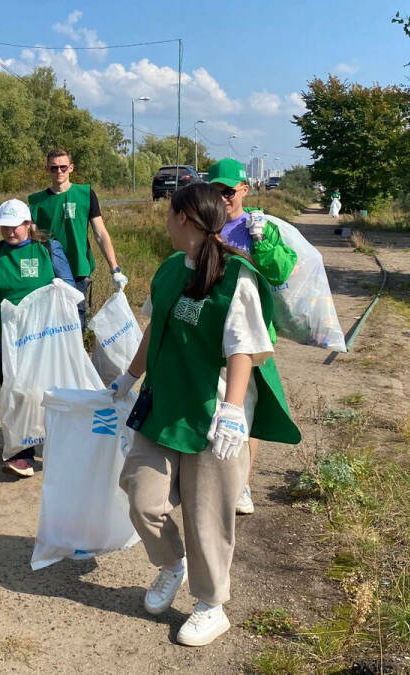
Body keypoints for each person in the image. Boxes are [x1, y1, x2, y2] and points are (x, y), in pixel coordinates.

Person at [109, 182, 300, 647]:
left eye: (170, 213)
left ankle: (211, 606)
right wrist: (125, 380)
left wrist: (234, 410)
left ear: (186, 220)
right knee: (142, 494)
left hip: (214, 413)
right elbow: (157, 327)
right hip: (166, 405)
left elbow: (243, 348)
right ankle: (173, 564)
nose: (166, 220)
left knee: (207, 515)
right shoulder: (172, 268)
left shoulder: (238, 277)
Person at [207, 157, 298, 515]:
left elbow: (280, 272)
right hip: (211, 328)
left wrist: (260, 242)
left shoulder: (259, 227)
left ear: (244, 189)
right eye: (215, 191)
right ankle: (212, 474)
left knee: (245, 407)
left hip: (252, 333)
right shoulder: (205, 225)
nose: (223, 198)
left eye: (228, 191)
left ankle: (242, 483)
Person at [0, 199, 75, 477]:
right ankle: (21, 453)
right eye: (4, 226)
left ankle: (59, 447)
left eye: (14, 226)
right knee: (15, 393)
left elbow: (69, 286)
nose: (9, 231)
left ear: (28, 224)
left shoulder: (48, 249)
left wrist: (61, 292)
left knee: (49, 392)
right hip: (7, 339)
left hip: (44, 336)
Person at [28, 149, 127, 328]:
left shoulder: (85, 194)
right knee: (49, 324)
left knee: (76, 322)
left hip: (78, 268)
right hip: (48, 271)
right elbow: (32, 240)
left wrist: (115, 269)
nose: (59, 171)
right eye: (54, 168)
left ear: (71, 168)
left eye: (63, 167)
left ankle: (77, 355)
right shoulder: (36, 202)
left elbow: (100, 233)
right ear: (47, 169)